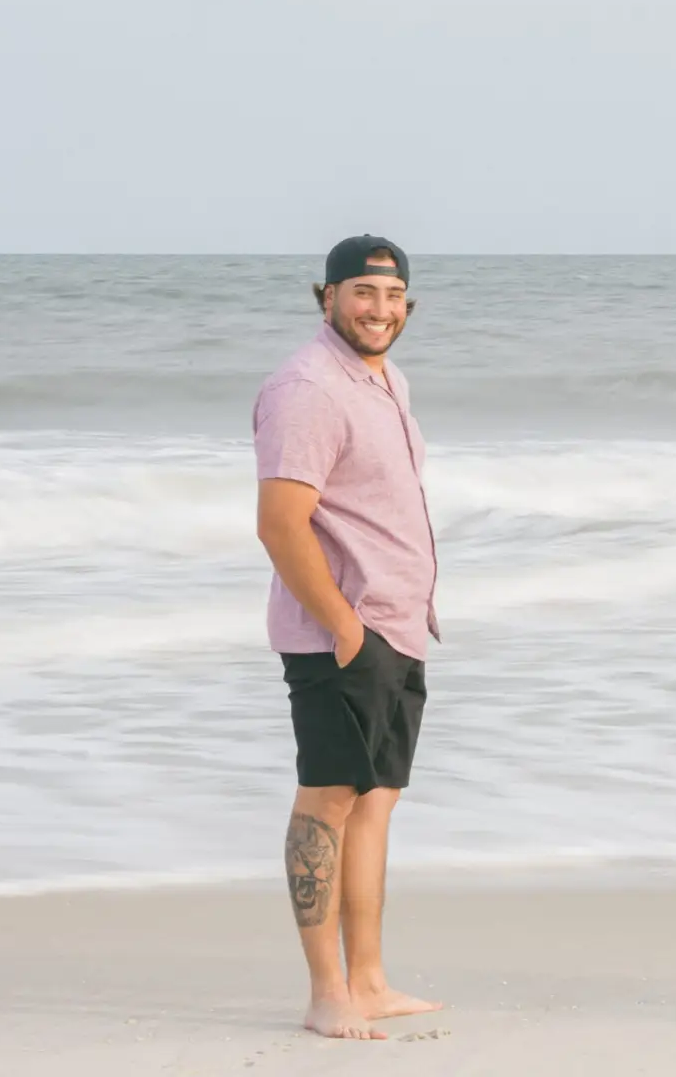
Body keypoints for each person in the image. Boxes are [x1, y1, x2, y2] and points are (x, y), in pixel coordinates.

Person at [253, 235, 443, 1041]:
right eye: (363, 294)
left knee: (377, 804)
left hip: (398, 627)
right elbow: (280, 524)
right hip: (342, 634)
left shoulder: (386, 379)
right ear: (324, 296)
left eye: (393, 295)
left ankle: (368, 979)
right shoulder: (307, 389)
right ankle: (327, 992)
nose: (380, 310)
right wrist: (341, 627)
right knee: (328, 803)